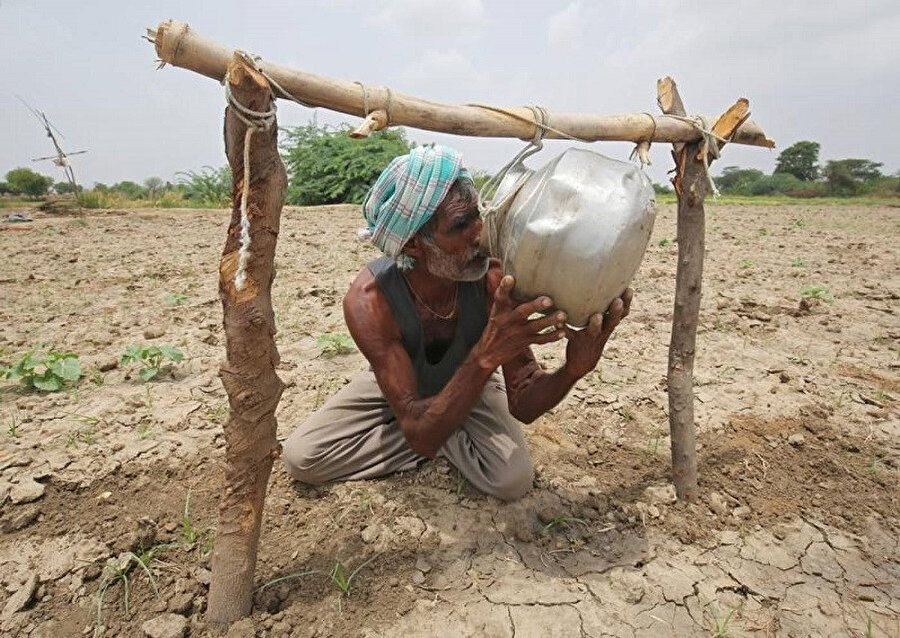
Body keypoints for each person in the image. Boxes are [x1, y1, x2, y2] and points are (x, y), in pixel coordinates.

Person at [283, 145, 632, 501]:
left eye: (478, 215)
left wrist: (573, 370)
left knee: (511, 479)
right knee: (303, 456)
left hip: (475, 385)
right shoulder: (371, 301)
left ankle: (436, 424)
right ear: (414, 245)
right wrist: (483, 357)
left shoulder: (493, 277)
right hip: (405, 385)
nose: (480, 234)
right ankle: (434, 426)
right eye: (461, 225)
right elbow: (426, 412)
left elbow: (524, 402)